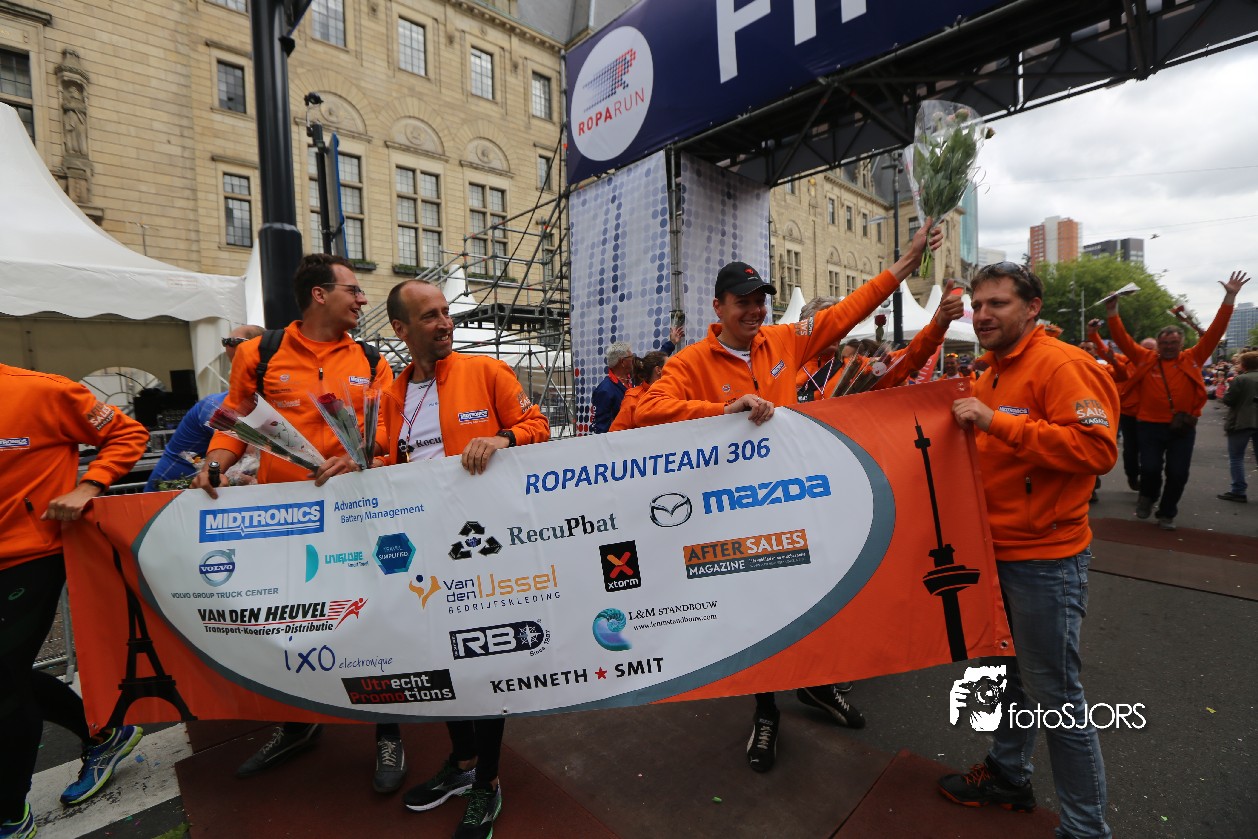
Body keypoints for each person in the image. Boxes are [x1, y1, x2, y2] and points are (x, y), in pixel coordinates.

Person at [637, 219, 943, 773]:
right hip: (731, 516)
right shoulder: (690, 362)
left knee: (816, 596)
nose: (756, 310)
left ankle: (819, 684)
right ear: (718, 307)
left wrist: (906, 261)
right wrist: (720, 411)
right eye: (744, 302)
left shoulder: (782, 340)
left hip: (793, 503)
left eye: (761, 300)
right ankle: (766, 711)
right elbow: (648, 411)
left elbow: (847, 310)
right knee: (758, 614)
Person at [190, 254, 399, 789]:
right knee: (292, 623)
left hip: (357, 513)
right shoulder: (259, 353)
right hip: (286, 518)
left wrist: (358, 455)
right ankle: (297, 723)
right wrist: (216, 462)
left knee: (375, 620)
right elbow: (234, 423)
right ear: (319, 294)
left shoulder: (371, 358)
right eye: (353, 290)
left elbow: (387, 432)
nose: (363, 300)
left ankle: (389, 729)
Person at [938, 262, 1118, 839]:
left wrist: (998, 424)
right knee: (1008, 675)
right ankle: (1008, 775)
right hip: (997, 552)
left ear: (1032, 307)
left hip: (1046, 560)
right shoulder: (990, 370)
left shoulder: (1063, 365)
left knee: (1056, 697)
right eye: (978, 306)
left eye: (997, 304)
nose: (982, 315)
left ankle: (1085, 830)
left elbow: (1098, 450)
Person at [363, 278, 549, 839]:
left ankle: (487, 781)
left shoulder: (486, 372)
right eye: (430, 316)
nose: (445, 323)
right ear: (401, 329)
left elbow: (538, 427)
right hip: (422, 551)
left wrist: (503, 439)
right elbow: (388, 463)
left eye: (446, 313)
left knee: (481, 661)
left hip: (480, 549)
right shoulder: (392, 395)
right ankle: (463, 761)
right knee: (437, 657)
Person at [1, 363, 149, 839]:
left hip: (29, 556)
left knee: (2, 678)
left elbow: (127, 433)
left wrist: (89, 485)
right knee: (9, 674)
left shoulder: (40, 392)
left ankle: (9, 813)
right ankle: (106, 735)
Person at [1104, 271, 1249, 530]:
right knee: (1149, 469)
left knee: (1178, 472)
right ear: (1158, 344)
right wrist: (1112, 311)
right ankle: (1148, 496)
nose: (1169, 346)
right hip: (1148, 425)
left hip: (1182, 426)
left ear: (1181, 343)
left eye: (1173, 342)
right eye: (1164, 343)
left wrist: (1229, 298)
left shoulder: (1193, 358)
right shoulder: (1145, 358)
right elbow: (1122, 339)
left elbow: (1216, 331)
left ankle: (1167, 512)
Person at [143, 325, 264, 491]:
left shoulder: (251, 402)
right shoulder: (214, 405)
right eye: (226, 342)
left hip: (198, 492)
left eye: (231, 342)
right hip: (170, 491)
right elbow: (249, 453)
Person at [1218, 350, 1258, 502]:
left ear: (1244, 365)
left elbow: (1228, 400)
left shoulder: (1240, 379)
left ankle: (1238, 490)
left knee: (1236, 457)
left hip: (1242, 421)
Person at [610, 351, 668, 431]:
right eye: (670, 366)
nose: (674, 370)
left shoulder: (675, 392)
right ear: (658, 370)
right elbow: (616, 432)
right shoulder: (634, 398)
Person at [590, 342, 634, 433]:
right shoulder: (604, 390)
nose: (634, 360)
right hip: (619, 440)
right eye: (631, 357)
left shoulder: (634, 380)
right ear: (622, 362)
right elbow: (601, 429)